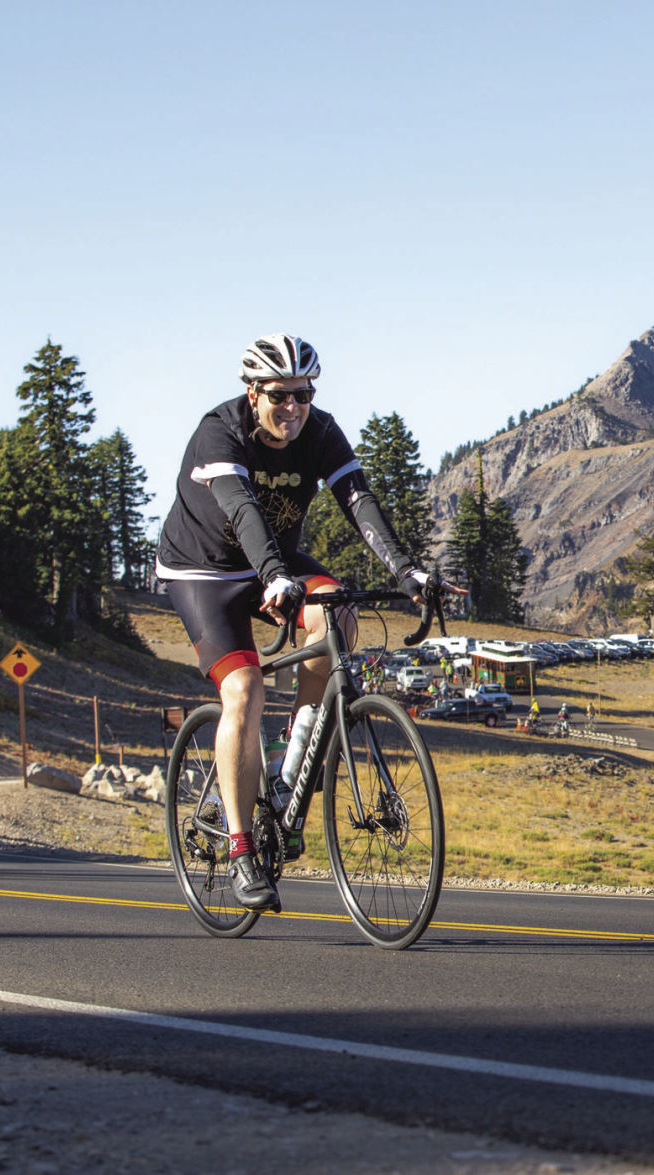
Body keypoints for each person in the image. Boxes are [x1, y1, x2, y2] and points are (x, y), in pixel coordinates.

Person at [156, 333, 456, 911]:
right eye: (279, 396)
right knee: (244, 687)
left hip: (276, 562)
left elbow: (357, 499)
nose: (292, 408)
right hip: (204, 569)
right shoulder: (219, 432)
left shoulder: (319, 430)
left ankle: (290, 773)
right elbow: (242, 509)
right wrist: (271, 574)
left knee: (340, 611)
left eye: (302, 394)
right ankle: (242, 848)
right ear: (252, 393)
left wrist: (407, 571)